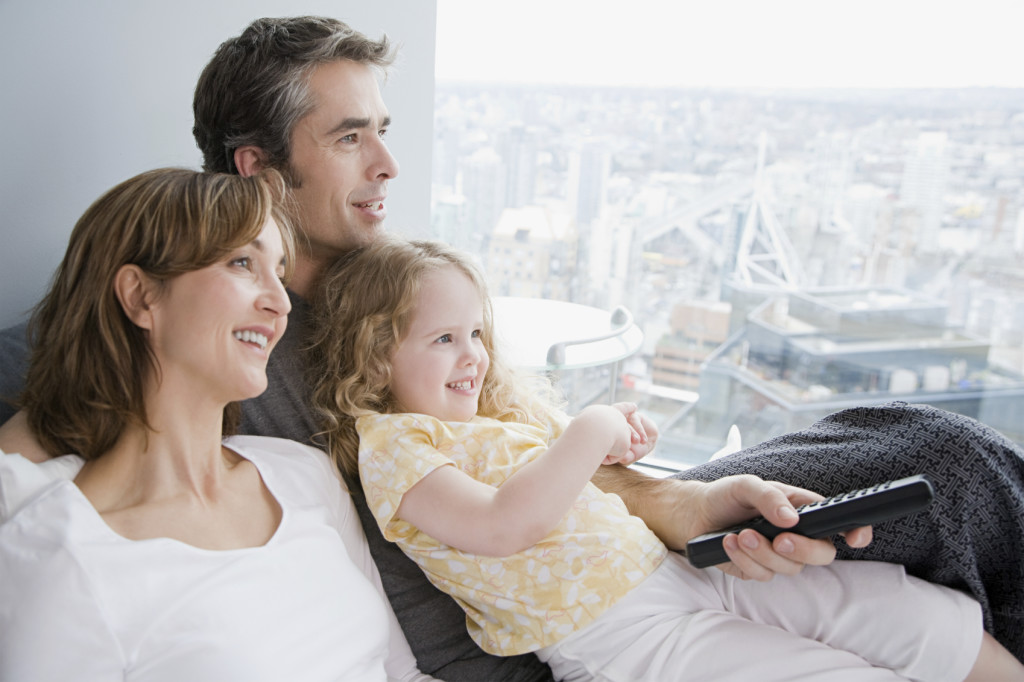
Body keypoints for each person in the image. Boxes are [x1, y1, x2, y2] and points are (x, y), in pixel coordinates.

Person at [1, 15, 1023, 678]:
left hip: (596, 538)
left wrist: (685, 504)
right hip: (545, 621)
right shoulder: (207, 336)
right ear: (256, 168)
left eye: (384, 128)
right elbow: (51, 405)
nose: (389, 162)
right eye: (351, 135)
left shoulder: (404, 282)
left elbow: (528, 441)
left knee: (929, 451)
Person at [305, 235, 1021, 681]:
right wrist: (591, 428)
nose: (473, 356)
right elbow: (501, 528)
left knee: (907, 613)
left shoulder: (494, 421)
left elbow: (590, 494)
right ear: (373, 358)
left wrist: (621, 459)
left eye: (476, 334)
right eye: (443, 340)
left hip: (673, 569)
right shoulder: (394, 445)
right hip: (626, 642)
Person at [0, 168, 434, 681]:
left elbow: (401, 674)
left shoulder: (303, 473)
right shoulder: (63, 557)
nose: (280, 302)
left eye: (279, 270)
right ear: (141, 297)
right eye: (243, 262)